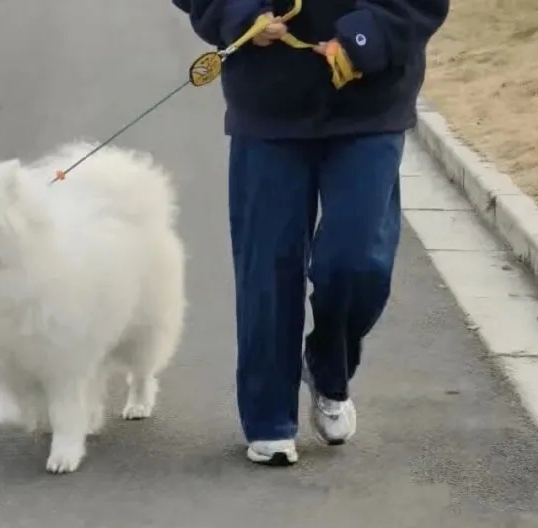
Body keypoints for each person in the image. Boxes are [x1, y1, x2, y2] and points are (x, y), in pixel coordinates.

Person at [172, 0, 449, 466]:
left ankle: (328, 366)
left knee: (357, 262)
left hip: (370, 99)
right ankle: (269, 419)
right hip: (267, 102)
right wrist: (241, 13)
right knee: (268, 266)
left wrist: (365, 37)